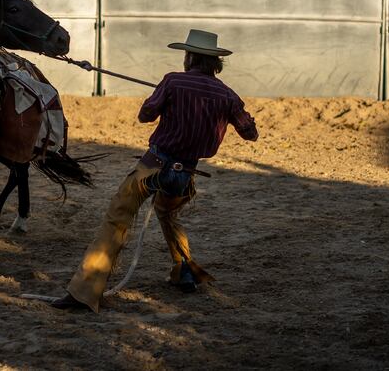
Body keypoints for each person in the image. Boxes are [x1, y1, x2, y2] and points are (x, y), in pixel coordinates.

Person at [51, 29, 259, 312]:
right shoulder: (228, 96)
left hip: (154, 165)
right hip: (185, 173)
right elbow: (250, 133)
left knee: (118, 217)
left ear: (189, 57)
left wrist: (161, 97)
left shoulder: (173, 81)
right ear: (215, 63)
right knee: (168, 215)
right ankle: (184, 269)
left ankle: (85, 292)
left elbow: (145, 115)